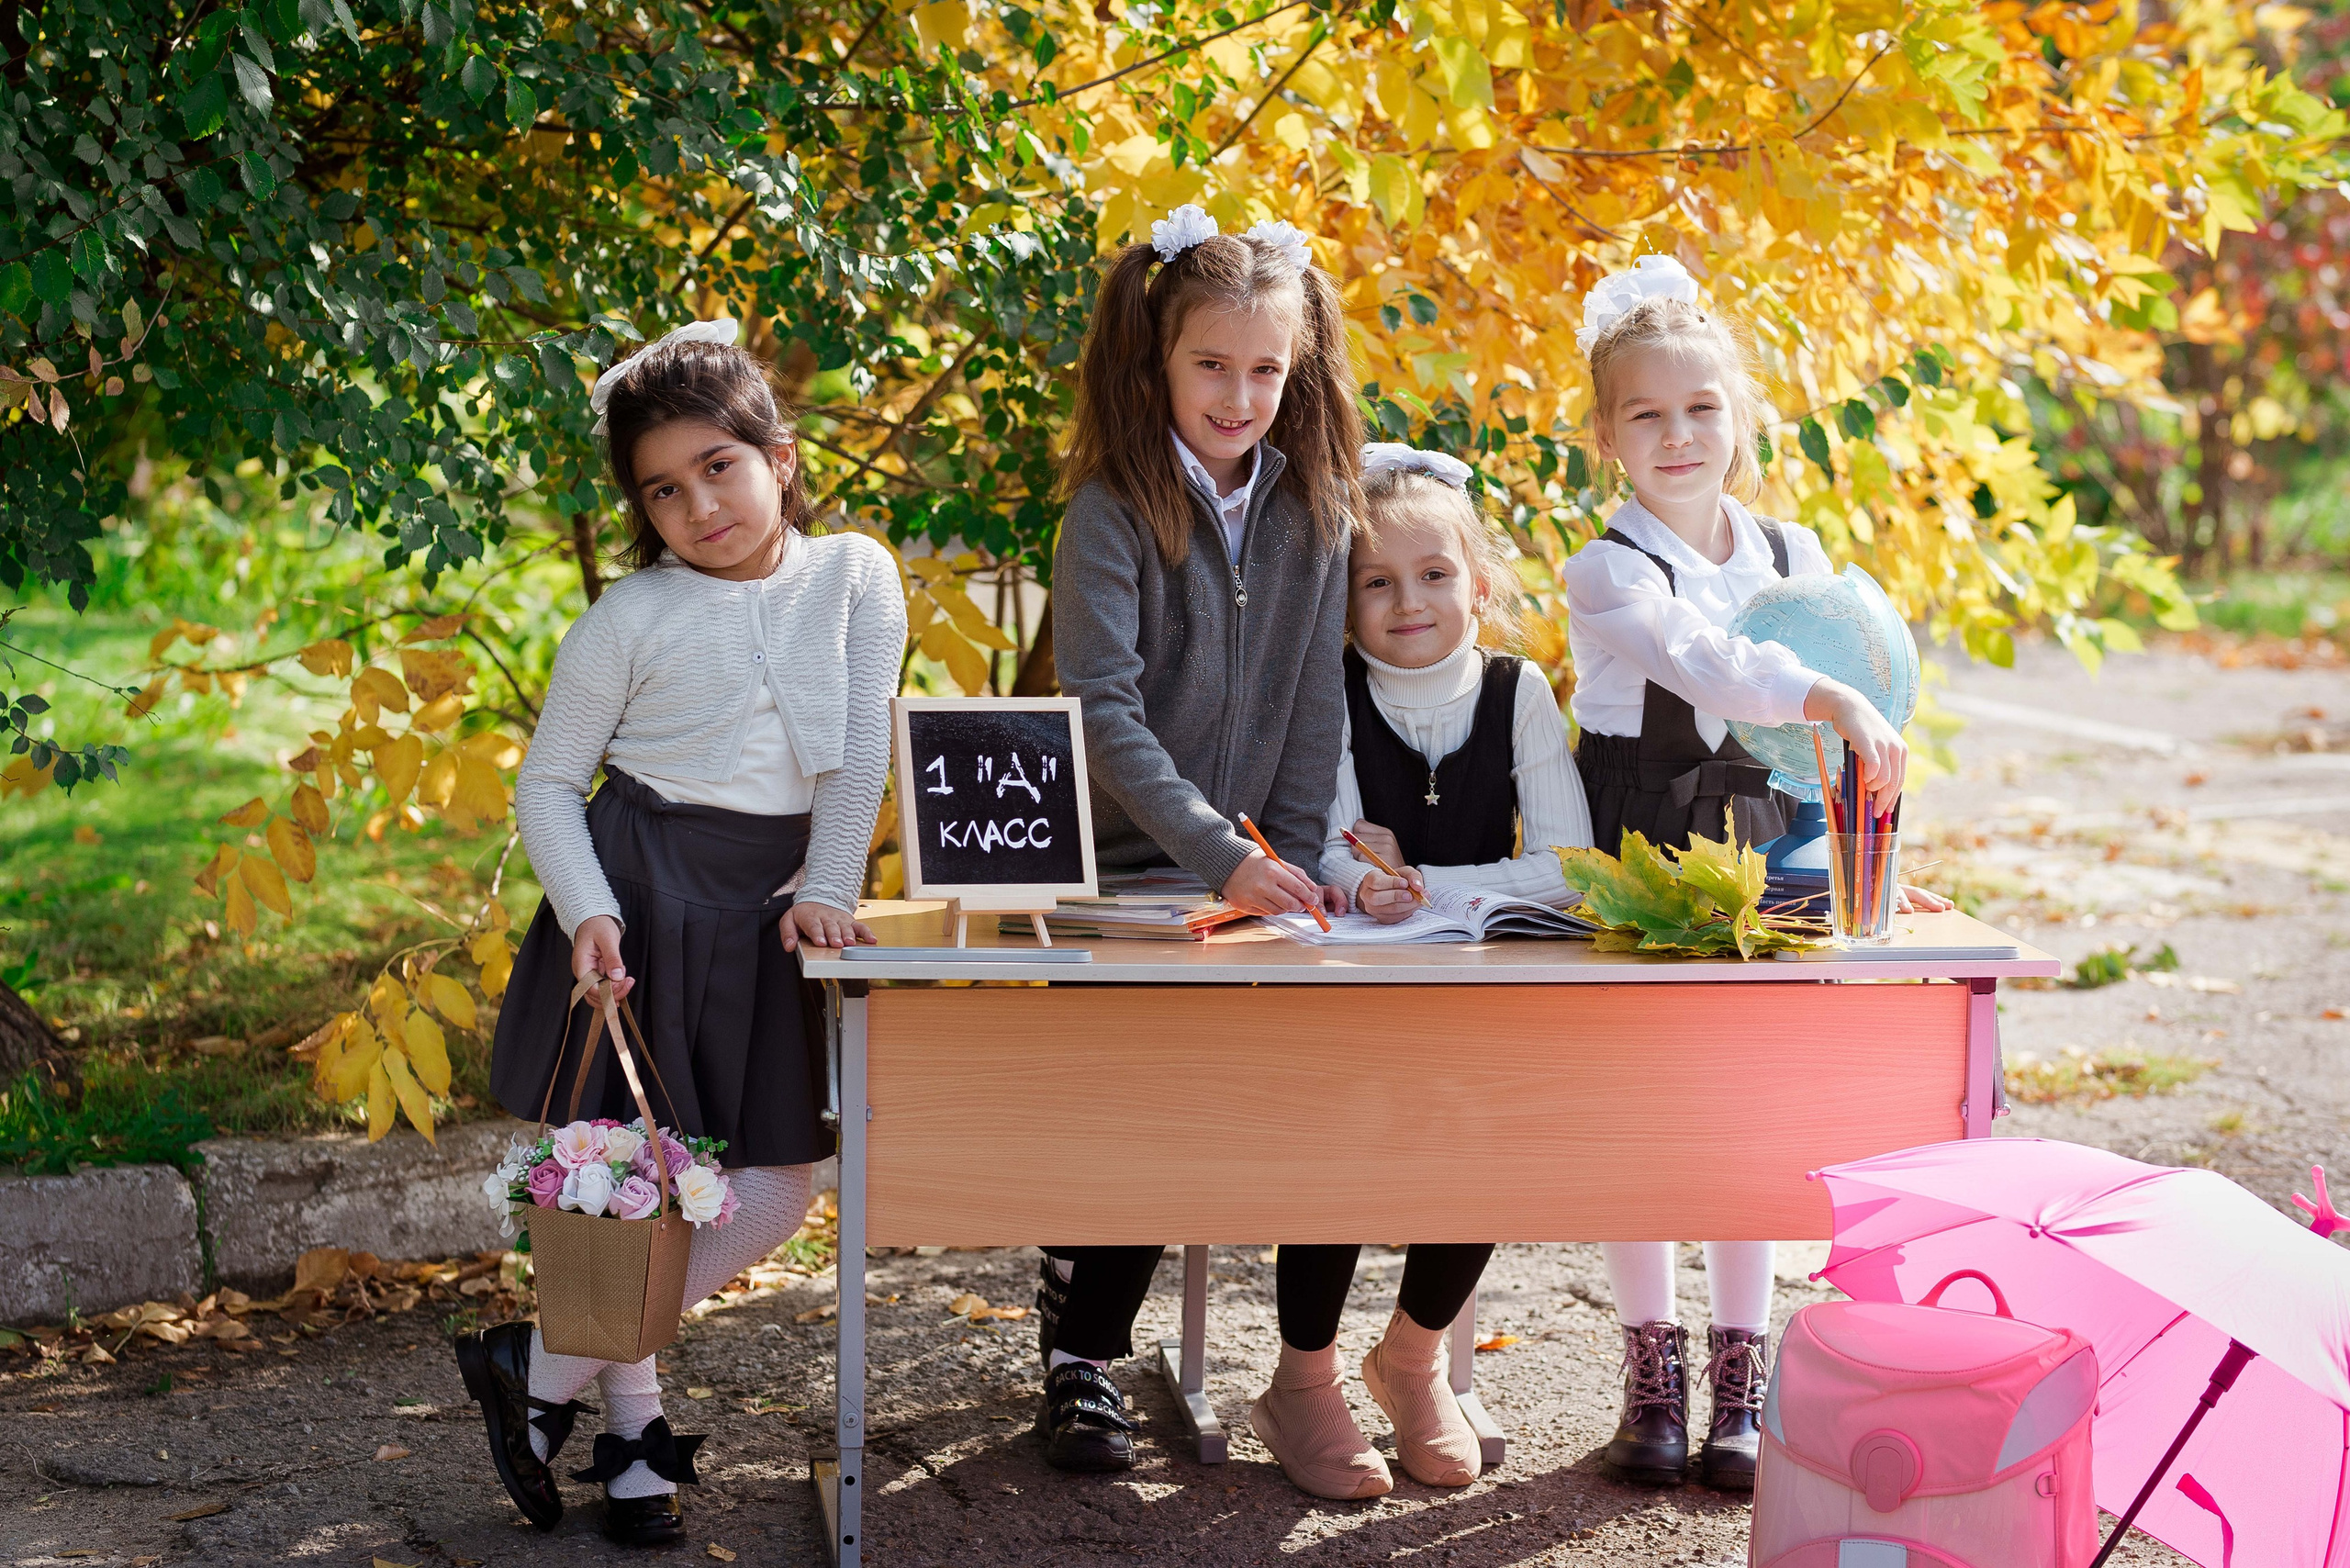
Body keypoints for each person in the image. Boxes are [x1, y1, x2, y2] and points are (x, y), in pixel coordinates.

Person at [454, 319, 905, 1545]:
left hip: (771, 914)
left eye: (719, 465)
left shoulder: (854, 574)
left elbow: (863, 743)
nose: (698, 503)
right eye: (662, 489)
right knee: (624, 1185)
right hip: (642, 897)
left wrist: (829, 881)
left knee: (769, 1189)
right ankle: (631, 1445)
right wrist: (587, 908)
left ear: (781, 453)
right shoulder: (629, 620)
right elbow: (548, 784)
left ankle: (540, 1368)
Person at [1560, 256, 1951, 1492]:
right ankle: (1653, 1379)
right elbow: (1718, 666)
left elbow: (1846, 720)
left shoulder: (1797, 549)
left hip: (1780, 861)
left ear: (1742, 416)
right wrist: (1826, 690)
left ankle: (1742, 1382)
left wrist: (1872, 870)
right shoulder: (1608, 571)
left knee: (1751, 1120)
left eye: (1703, 409)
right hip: (1652, 868)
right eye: (1647, 414)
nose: (1680, 436)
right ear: (1606, 435)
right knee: (1642, 1122)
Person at [1039, 203, 1374, 1495]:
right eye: (1212, 366)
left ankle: (1306, 1369)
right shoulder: (1109, 518)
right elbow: (1103, 716)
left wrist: (1283, 865)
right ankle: (1082, 1348)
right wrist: (1210, 853)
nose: (1241, 396)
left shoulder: (1315, 514)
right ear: (1156, 367)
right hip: (1122, 873)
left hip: (1246, 878)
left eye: (1266, 370)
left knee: (1281, 1093)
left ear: (1298, 372)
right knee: (1135, 1096)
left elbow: (1306, 705)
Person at [1291, 443, 1595, 1489]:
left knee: (1488, 1141)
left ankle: (1412, 1359)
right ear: (1344, 601)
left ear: (1477, 580)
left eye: (1432, 575)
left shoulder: (1517, 695)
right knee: (1333, 1147)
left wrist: (1426, 876)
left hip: (1474, 989)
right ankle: (1302, 1377)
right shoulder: (1328, 692)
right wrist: (1361, 880)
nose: (1407, 600)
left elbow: (1565, 866)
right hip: (1355, 985)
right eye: (1375, 582)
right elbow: (1329, 842)